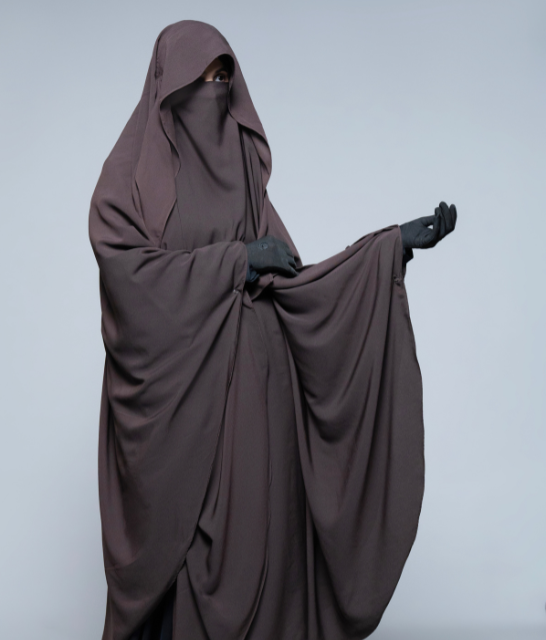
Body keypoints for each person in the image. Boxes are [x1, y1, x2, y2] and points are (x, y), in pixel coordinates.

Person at [89, 20, 456, 640]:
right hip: (183, 421)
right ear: (168, 86)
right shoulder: (130, 181)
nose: (215, 92)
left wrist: (388, 248)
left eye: (225, 79)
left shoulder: (241, 164)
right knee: (192, 555)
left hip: (259, 409)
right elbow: (129, 280)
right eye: (203, 78)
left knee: (258, 548)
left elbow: (293, 280)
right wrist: (234, 260)